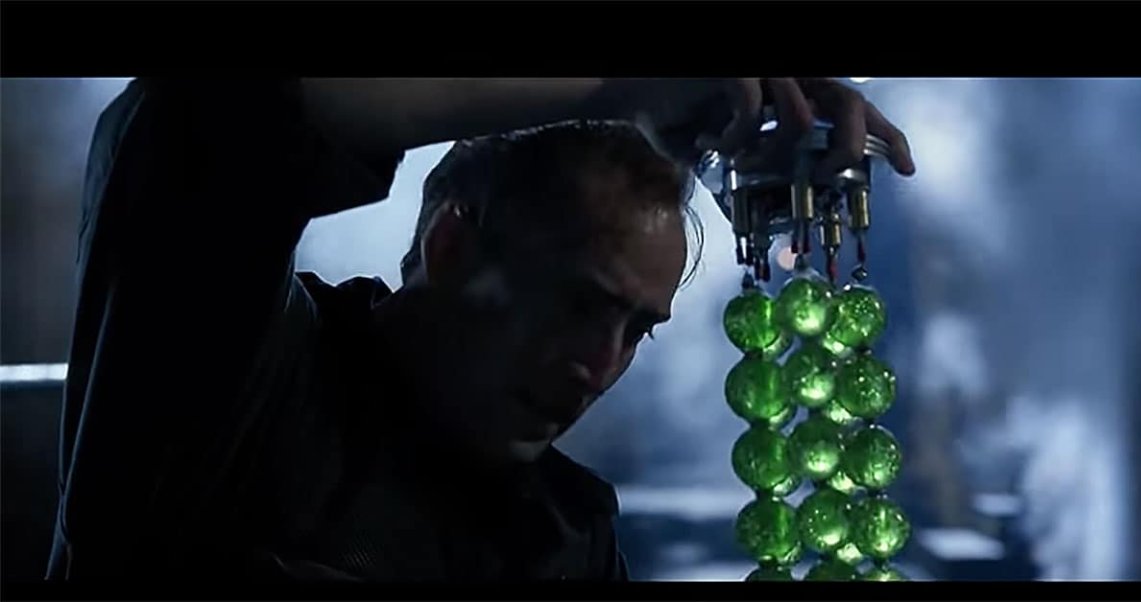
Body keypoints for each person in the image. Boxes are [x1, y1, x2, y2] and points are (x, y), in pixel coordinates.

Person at [47, 78, 915, 583]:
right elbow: (204, 114)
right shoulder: (249, 384)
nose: (600, 366)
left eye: (637, 331)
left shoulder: (569, 532)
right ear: (451, 245)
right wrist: (623, 81)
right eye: (579, 303)